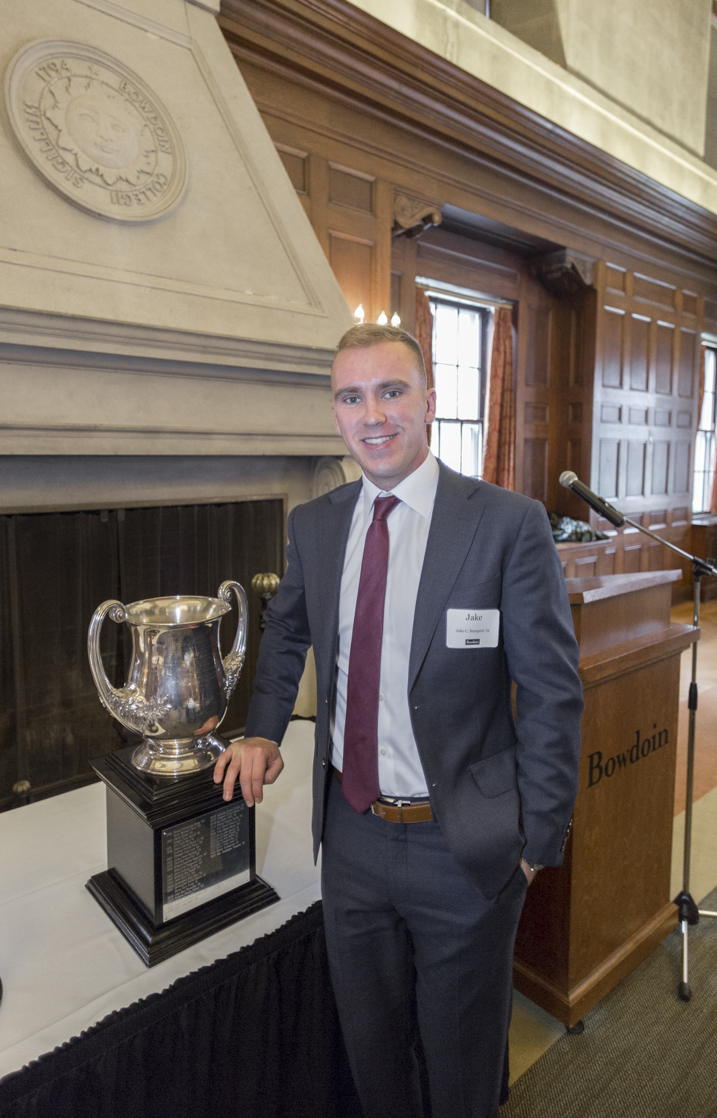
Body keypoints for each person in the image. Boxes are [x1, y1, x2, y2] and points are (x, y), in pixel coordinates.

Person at [214, 322, 583, 1118]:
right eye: (352, 396)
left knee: (460, 1068)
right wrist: (261, 731)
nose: (372, 414)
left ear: (429, 403)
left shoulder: (506, 524)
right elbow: (286, 632)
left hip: (467, 848)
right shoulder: (316, 523)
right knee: (373, 1054)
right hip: (352, 837)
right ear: (335, 413)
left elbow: (552, 691)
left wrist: (537, 841)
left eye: (391, 391)